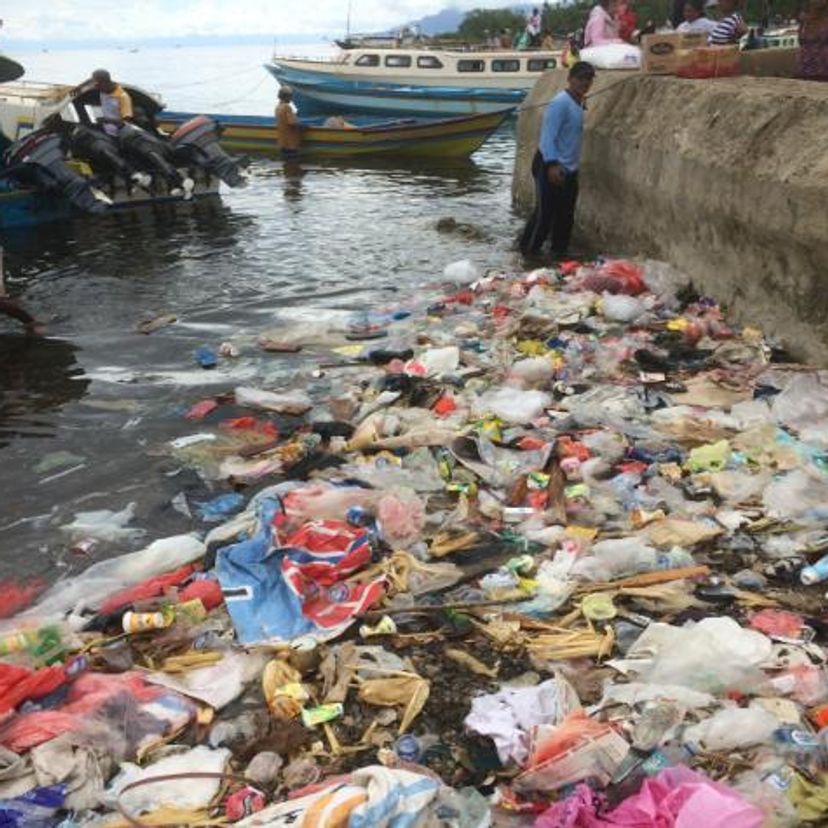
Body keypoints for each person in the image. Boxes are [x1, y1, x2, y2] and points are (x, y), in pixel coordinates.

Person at [520, 61, 595, 260]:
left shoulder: (578, 102)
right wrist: (552, 165)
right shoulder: (560, 103)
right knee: (544, 215)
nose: (584, 83)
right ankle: (528, 253)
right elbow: (548, 137)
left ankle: (559, 252)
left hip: (569, 168)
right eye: (580, 79)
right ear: (570, 79)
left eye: (588, 79)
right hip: (549, 164)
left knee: (566, 214)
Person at [85, 69, 134, 137]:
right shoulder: (102, 91)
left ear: (105, 82)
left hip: (120, 134)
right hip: (106, 131)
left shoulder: (123, 97)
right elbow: (88, 82)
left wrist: (106, 120)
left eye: (97, 85)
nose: (96, 87)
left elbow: (125, 122)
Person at [799, 0, 828, 80]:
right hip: (809, 63)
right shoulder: (805, 22)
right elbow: (801, 40)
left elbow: (801, 40)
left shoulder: (805, 22)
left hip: (816, 63)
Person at [275, 86, 301, 159]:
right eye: (290, 96)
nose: (291, 99)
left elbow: (283, 121)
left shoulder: (277, 107)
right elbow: (292, 123)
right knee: (292, 166)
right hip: (290, 144)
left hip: (282, 143)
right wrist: (299, 123)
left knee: (286, 165)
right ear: (286, 97)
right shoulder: (287, 107)